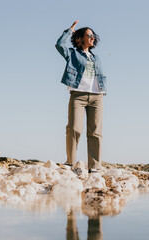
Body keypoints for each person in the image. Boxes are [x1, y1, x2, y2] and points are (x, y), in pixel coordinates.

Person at [55, 20, 107, 173]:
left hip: (97, 96)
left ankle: (95, 167)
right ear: (80, 38)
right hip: (78, 95)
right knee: (74, 128)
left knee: (95, 132)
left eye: (93, 36)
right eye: (89, 35)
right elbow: (59, 45)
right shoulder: (72, 54)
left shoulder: (95, 57)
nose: (92, 38)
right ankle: (70, 162)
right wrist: (70, 30)